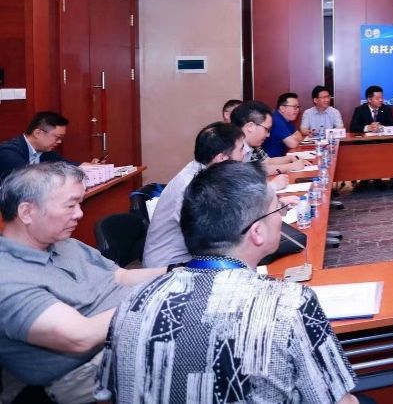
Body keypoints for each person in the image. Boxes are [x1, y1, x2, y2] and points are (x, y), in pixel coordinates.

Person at [97, 161, 365, 404]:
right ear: (257, 232)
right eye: (278, 209)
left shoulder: (132, 302)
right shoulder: (288, 304)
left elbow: (106, 396)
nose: (281, 216)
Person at [0, 163, 165, 403]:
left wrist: (179, 271)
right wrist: (158, 299)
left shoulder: (64, 243)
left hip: (125, 335)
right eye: (70, 205)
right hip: (86, 371)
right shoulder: (7, 277)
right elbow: (81, 336)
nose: (79, 214)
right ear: (27, 212)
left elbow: (120, 276)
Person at [142, 121, 246, 267]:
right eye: (241, 150)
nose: (244, 154)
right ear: (221, 158)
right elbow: (211, 239)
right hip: (169, 267)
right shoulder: (191, 187)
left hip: (191, 257)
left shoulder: (206, 171)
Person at [0, 112, 97, 184]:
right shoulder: (8, 152)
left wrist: (89, 166)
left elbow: (65, 165)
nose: (59, 142)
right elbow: (29, 179)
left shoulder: (46, 151)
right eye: (57, 137)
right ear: (38, 133)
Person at [231, 100, 305, 176]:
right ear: (250, 127)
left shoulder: (253, 143)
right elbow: (247, 173)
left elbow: (266, 161)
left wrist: (290, 158)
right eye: (267, 129)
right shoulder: (232, 146)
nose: (268, 135)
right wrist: (290, 167)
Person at [264, 92, 306, 157]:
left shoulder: (287, 118)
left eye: (298, 107)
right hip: (272, 160)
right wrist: (292, 137)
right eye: (294, 107)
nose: (297, 110)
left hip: (282, 157)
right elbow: (293, 144)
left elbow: (299, 137)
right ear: (282, 108)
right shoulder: (275, 120)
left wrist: (292, 137)